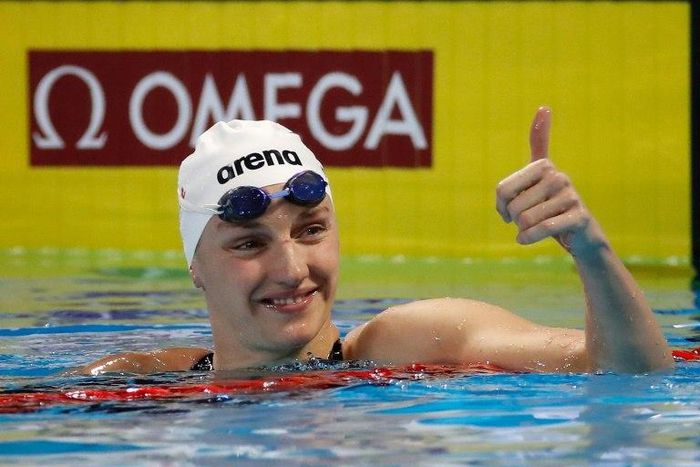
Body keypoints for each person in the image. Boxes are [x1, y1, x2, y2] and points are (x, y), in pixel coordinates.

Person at [80, 107, 673, 375]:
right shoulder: (145, 382)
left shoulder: (414, 341)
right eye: (248, 244)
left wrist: (591, 253)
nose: (291, 268)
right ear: (195, 265)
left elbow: (629, 372)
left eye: (311, 230)